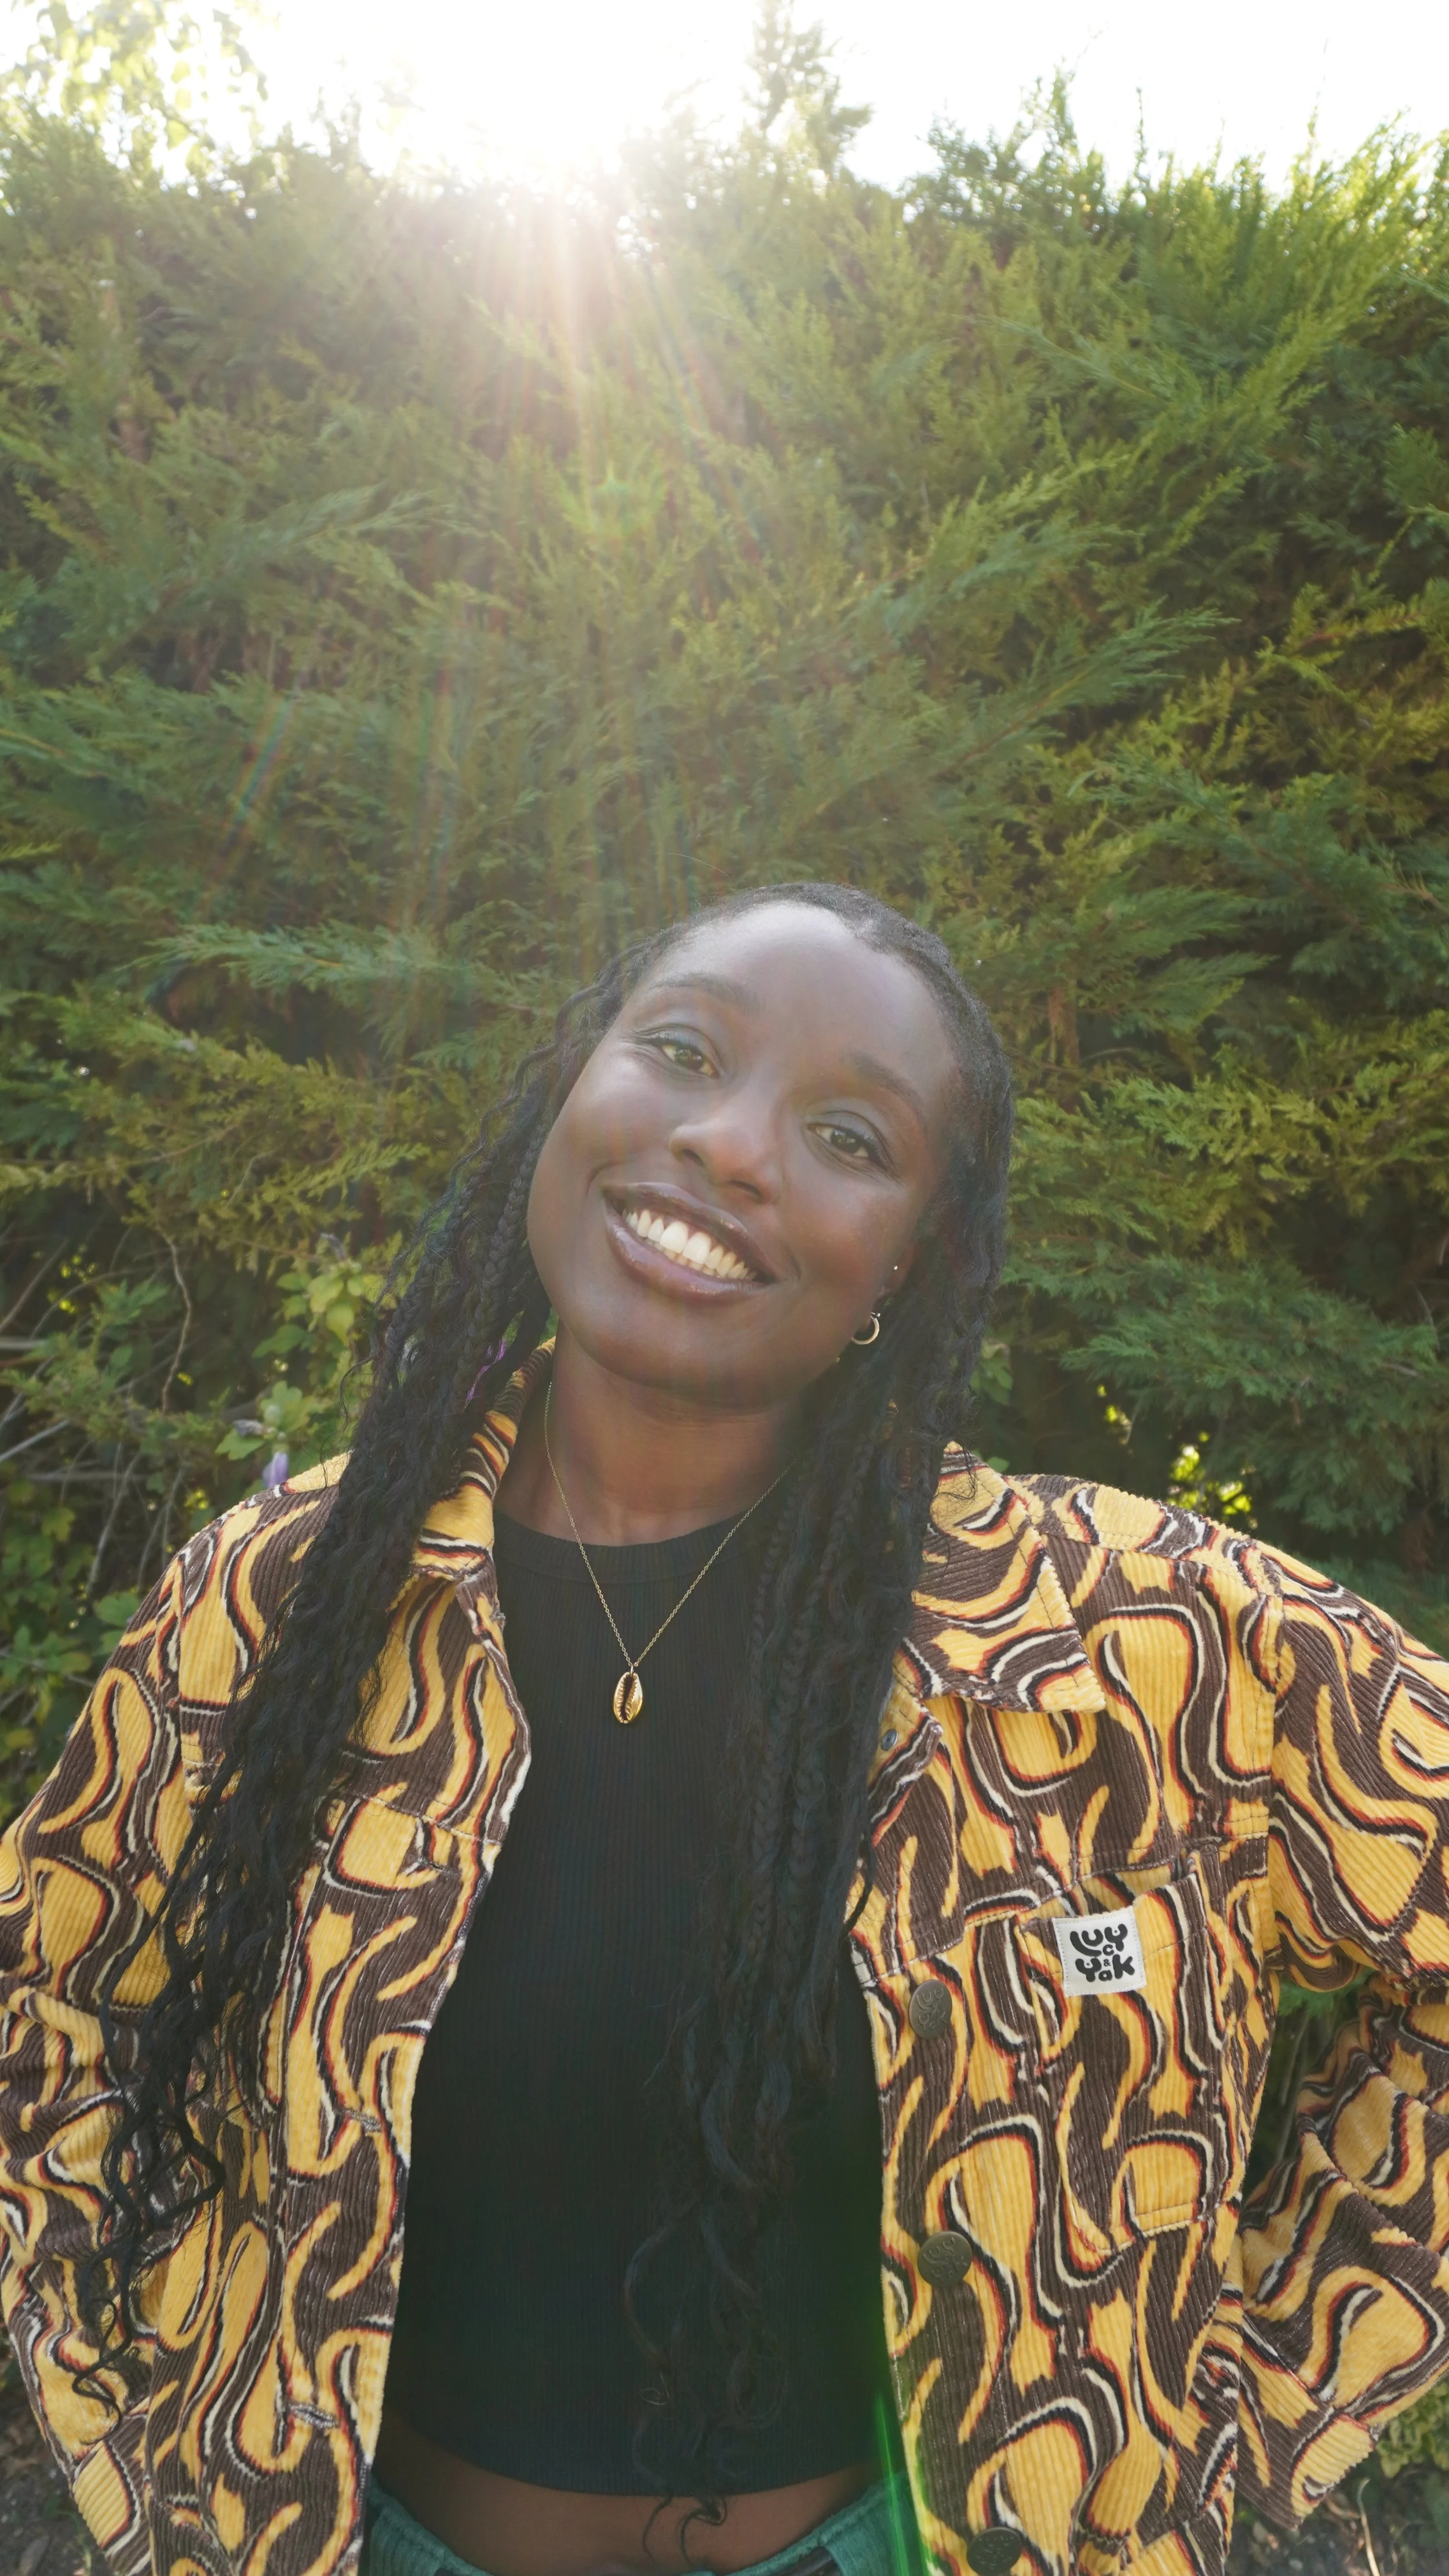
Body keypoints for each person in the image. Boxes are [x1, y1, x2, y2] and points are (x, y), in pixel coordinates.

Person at [1, 882, 1448, 2576]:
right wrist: (154, 2438)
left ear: (910, 1256)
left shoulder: (1137, 1642)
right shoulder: (278, 1601)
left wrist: (1242, 2408)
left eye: (847, 1132)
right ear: (573, 1084)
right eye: (681, 1051)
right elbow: (52, 2010)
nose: (729, 1146)